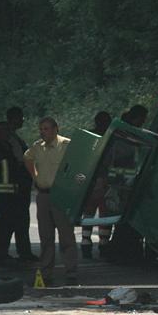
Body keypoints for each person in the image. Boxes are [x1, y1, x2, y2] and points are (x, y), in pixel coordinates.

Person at [24, 117, 78, 285]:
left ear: (56, 129)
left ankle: (71, 271)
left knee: (66, 236)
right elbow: (27, 158)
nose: (43, 132)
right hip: (43, 195)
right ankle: (46, 272)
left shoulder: (66, 145)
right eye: (41, 129)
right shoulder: (37, 147)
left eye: (46, 129)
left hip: (60, 195)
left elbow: (77, 164)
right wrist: (34, 176)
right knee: (46, 236)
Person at [0, 121, 24, 266]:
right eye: (2, 131)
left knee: (9, 226)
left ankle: (3, 253)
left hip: (11, 194)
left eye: (7, 131)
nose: (5, 134)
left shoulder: (9, 147)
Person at [5, 107, 38, 262]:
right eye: (20, 117)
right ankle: (20, 252)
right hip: (15, 186)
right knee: (15, 219)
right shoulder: (9, 138)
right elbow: (19, 160)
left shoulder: (14, 137)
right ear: (14, 118)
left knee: (21, 219)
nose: (22, 120)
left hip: (19, 185)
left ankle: (24, 251)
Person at [81, 110, 113, 258]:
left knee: (89, 213)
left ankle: (86, 243)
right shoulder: (111, 138)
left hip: (91, 181)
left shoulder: (89, 138)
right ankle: (103, 245)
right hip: (104, 182)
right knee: (105, 214)